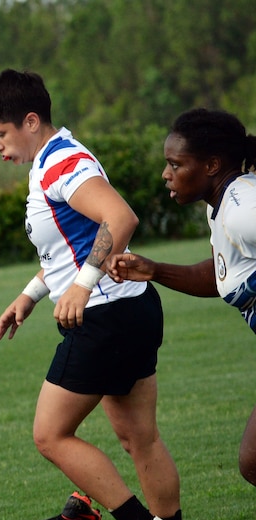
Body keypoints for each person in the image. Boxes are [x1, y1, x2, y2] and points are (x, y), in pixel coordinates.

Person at [0, 69, 192, 520]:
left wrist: (84, 284)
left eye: (0, 134)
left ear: (30, 121)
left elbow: (120, 217)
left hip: (106, 316)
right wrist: (30, 295)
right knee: (138, 435)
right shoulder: (51, 160)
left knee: (50, 434)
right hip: (130, 307)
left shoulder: (62, 162)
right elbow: (69, 246)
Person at [107, 108, 256, 494]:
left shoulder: (243, 210)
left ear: (211, 165)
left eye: (176, 164)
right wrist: (154, 269)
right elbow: (221, 276)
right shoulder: (221, 205)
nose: (166, 174)